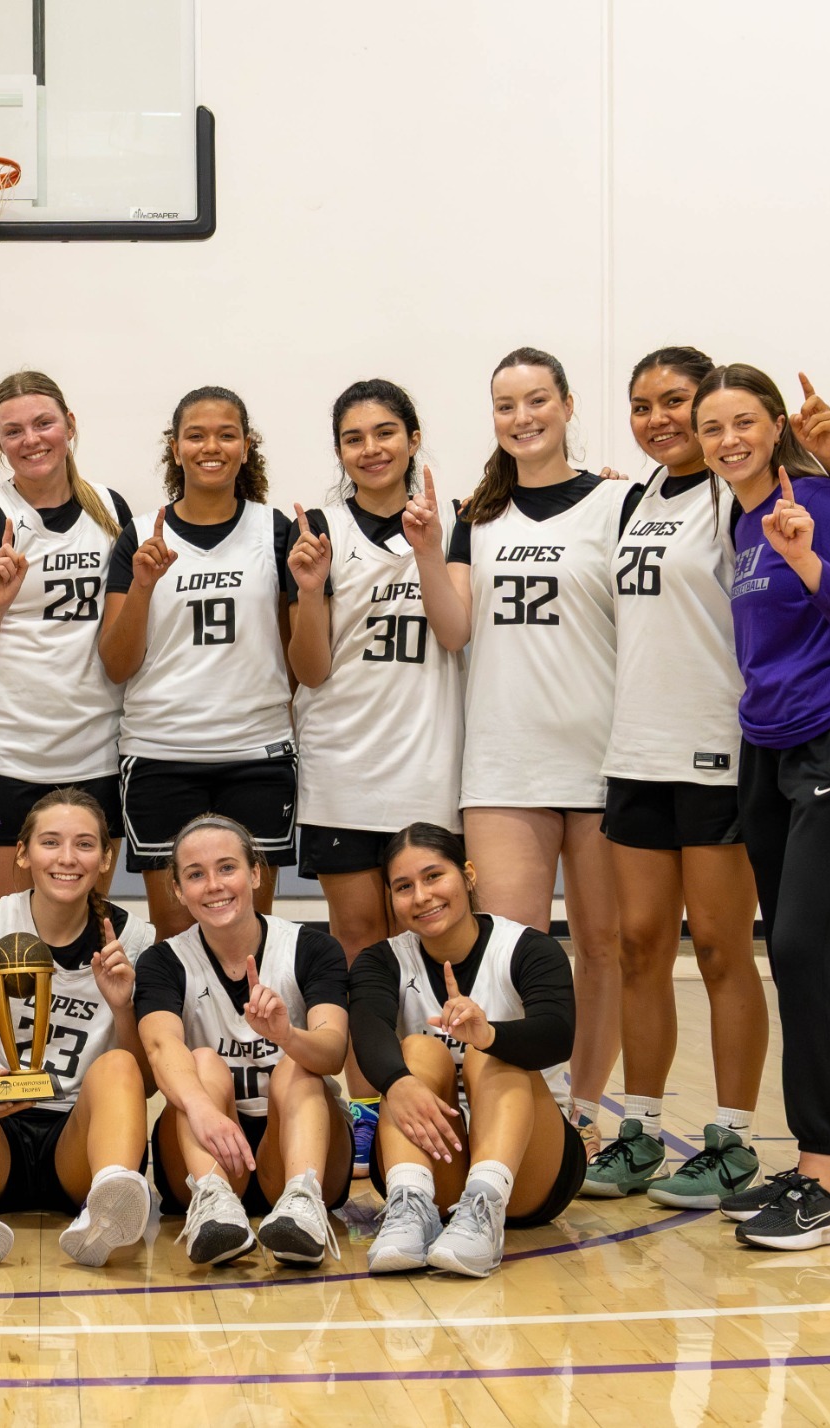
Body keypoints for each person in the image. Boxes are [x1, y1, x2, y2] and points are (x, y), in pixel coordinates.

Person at [591, 351, 830, 1208]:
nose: (664, 420)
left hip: (739, 745)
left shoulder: (753, 489)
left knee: (744, 949)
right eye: (643, 404)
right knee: (643, 946)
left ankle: (748, 1141)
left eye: (680, 405)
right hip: (644, 748)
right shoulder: (631, 498)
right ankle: (644, 1127)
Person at [691, 363, 830, 1250]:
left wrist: (806, 556)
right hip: (773, 750)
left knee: (803, 946)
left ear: (776, 425)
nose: (727, 439)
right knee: (818, 957)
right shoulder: (742, 518)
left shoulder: (815, 501)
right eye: (713, 427)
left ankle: (825, 1175)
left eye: (743, 421)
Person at [414, 346, 624, 1151]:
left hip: (606, 760)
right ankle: (514, 1113)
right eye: (506, 405)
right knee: (505, 951)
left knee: (602, 949)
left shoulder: (616, 503)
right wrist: (432, 551)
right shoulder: (476, 515)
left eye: (537, 400)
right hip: (504, 762)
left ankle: (586, 1113)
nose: (523, 417)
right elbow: (454, 628)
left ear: (568, 404)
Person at [289, 380, 465, 1177]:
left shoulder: (456, 520)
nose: (372, 448)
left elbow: (457, 637)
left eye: (386, 432)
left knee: (429, 946)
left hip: (426, 762)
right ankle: (369, 1109)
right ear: (339, 451)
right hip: (342, 765)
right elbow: (311, 669)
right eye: (354, 437)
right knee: (362, 947)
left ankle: (440, 1097)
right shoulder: (316, 532)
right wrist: (309, 589)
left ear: (414, 436)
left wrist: (430, 548)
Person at [0, 789, 156, 1267]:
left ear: (105, 858)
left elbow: (147, 1081)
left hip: (79, 1140)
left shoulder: (136, 940)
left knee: (118, 1063)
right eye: (50, 842)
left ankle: (106, 1203)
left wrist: (123, 1007)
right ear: (23, 853)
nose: (67, 858)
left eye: (84, 844)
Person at [101, 387, 307, 938]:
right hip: (161, 754)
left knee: (249, 933)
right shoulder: (142, 534)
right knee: (177, 939)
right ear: (175, 448)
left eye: (225, 434)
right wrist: (143, 587)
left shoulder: (276, 531)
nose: (209, 446)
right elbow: (117, 664)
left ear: (246, 446)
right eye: (196, 435)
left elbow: (295, 659)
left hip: (256, 753)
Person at [352, 823, 585, 1279]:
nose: (421, 896)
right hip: (432, 1159)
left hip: (532, 1166)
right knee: (416, 1052)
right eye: (403, 887)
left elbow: (558, 1035)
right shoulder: (382, 961)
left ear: (468, 874)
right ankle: (410, 1207)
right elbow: (366, 1032)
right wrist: (397, 1081)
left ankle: (484, 1208)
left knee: (488, 1053)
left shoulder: (528, 948)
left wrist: (490, 1035)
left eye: (433, 876)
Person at [0, 372, 132, 902]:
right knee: (9, 930)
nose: (30, 440)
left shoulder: (111, 510)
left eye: (43, 423)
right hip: (2, 755)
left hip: (93, 753)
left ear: (69, 426)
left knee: (86, 926)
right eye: (13, 431)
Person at [135, 816, 352, 1268]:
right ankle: (213, 1204)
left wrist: (286, 1035)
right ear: (177, 890)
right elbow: (160, 1048)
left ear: (256, 873)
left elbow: (332, 1053)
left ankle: (302, 1203)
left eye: (227, 868)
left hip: (299, 1137)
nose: (213, 885)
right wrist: (200, 1110)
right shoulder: (162, 961)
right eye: (195, 874)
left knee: (299, 1064)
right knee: (201, 1061)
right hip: (206, 1141)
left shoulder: (312, 948)